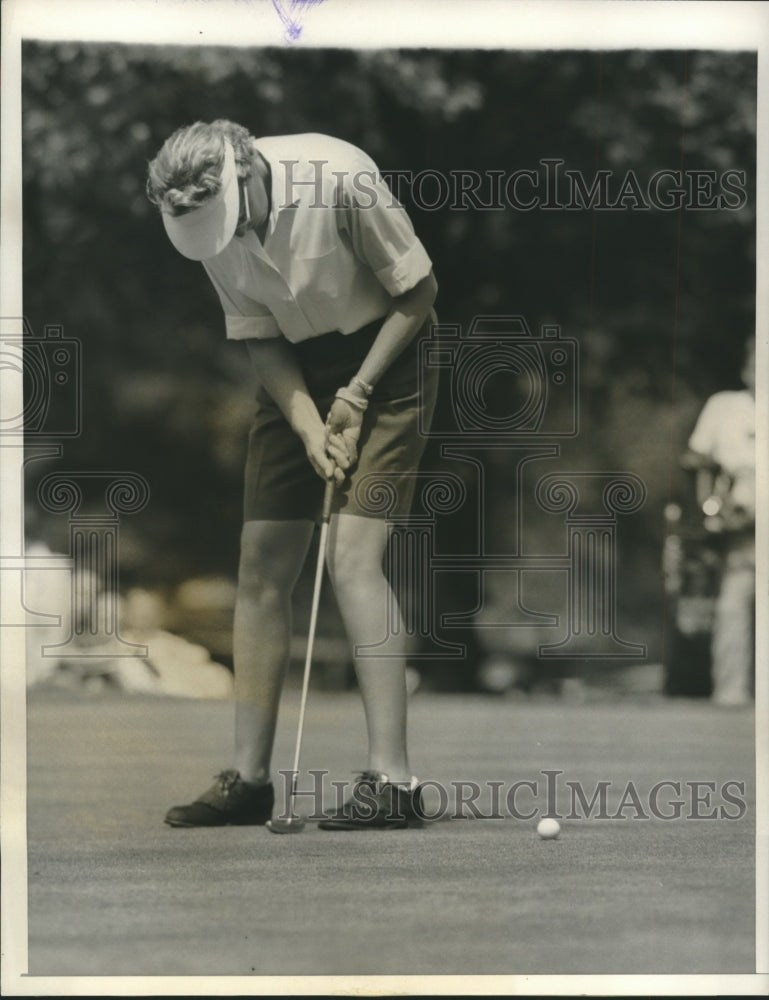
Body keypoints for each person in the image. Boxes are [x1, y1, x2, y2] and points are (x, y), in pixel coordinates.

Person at [146, 120, 439, 828]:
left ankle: (393, 783)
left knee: (351, 556)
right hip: (295, 375)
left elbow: (419, 292)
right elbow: (260, 335)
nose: (221, 237)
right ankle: (248, 778)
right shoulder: (206, 229)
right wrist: (309, 423)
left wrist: (359, 393)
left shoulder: (340, 177)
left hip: (390, 360)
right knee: (260, 565)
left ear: (244, 169)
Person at [684, 336, 756, 707]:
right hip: (739, 532)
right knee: (732, 607)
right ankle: (731, 692)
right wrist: (714, 506)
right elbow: (695, 459)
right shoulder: (725, 407)